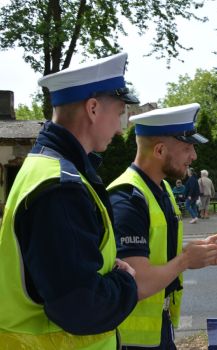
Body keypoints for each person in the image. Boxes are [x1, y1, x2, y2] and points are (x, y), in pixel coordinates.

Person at [0, 53, 140, 349]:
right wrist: (125, 281)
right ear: (92, 108)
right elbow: (80, 307)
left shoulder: (48, 167)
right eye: (119, 113)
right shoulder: (61, 188)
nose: (120, 128)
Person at [108, 103, 217, 350]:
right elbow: (137, 282)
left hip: (160, 328)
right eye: (187, 148)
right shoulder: (128, 198)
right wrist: (185, 261)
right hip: (132, 341)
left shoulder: (162, 189)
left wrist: (199, 254)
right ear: (160, 150)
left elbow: (158, 253)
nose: (193, 156)